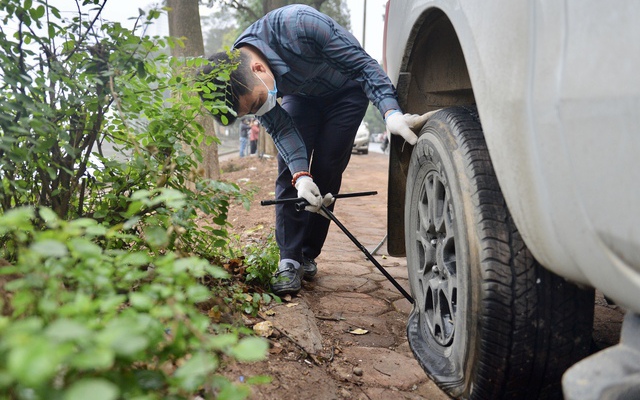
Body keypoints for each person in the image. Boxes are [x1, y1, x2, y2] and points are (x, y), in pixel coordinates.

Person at [197, 5, 432, 296]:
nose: (259, 110)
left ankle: (308, 254)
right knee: (291, 174)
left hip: (347, 90)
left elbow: (363, 66)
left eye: (256, 105)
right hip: (302, 96)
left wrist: (391, 113)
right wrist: (301, 176)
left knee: (327, 168)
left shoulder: (300, 26)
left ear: (258, 69)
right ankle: (289, 260)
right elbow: (282, 129)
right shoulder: (245, 77)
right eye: (252, 111)